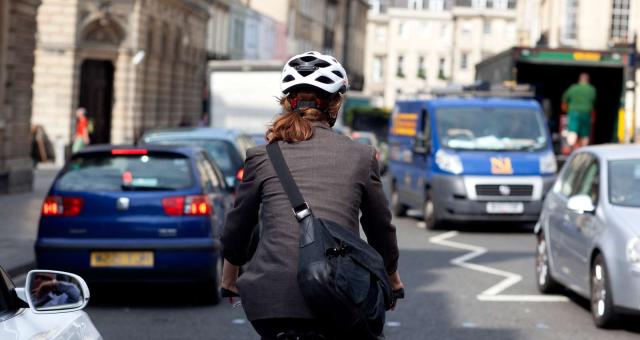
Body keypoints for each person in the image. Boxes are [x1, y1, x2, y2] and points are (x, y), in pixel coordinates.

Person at [220, 51, 403, 340]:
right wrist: (391, 276)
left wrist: (229, 275)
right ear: (336, 104)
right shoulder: (361, 155)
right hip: (337, 294)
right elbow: (380, 226)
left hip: (271, 302)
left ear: (287, 103)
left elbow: (237, 228)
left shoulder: (262, 156)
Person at [562, 73, 596, 148]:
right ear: (588, 80)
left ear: (579, 80)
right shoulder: (592, 90)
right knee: (585, 132)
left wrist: (565, 111)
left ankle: (570, 147)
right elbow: (593, 104)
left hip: (574, 113)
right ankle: (584, 147)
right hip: (586, 114)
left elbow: (564, 100)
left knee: (573, 129)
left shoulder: (573, 88)